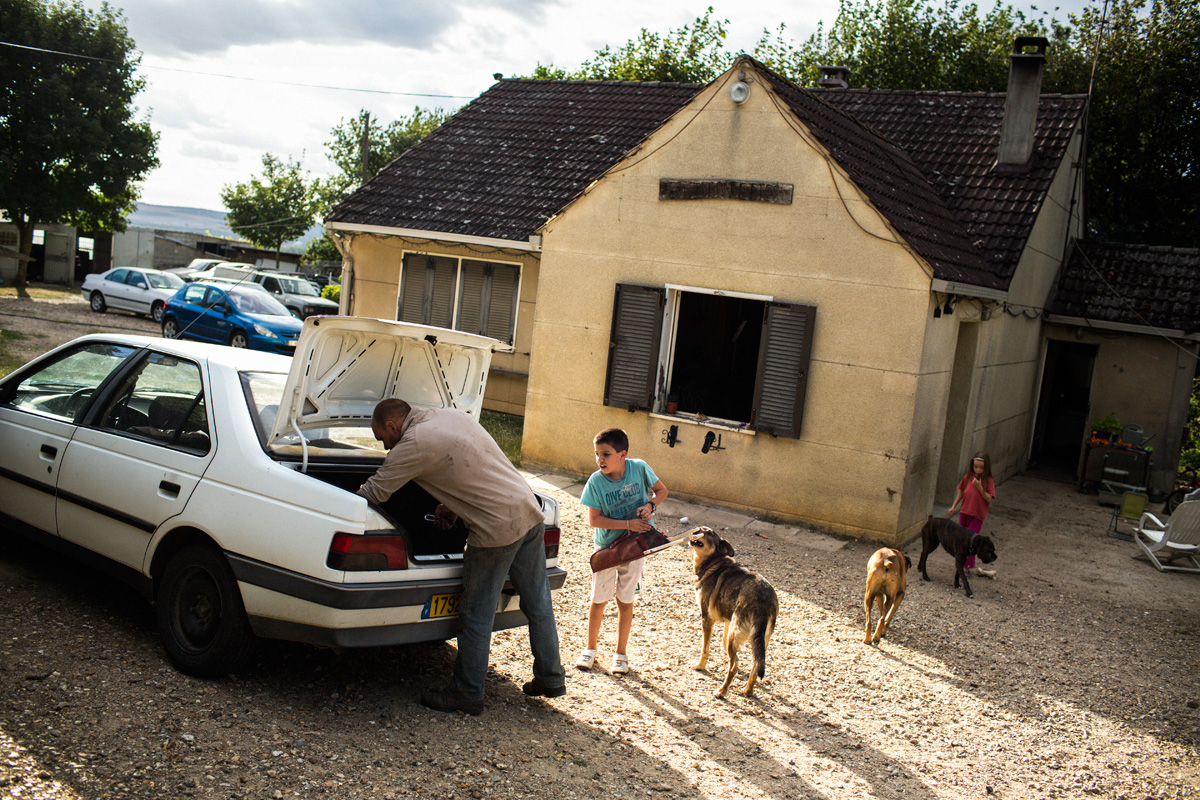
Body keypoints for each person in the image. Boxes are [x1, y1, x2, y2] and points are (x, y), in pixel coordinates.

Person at [357, 398, 565, 714]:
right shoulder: (452, 416)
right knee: (538, 603)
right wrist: (454, 506)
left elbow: (374, 493)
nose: (386, 447)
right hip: (527, 510)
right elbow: (477, 468)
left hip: (496, 531)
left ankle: (467, 692)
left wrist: (329, 510)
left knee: (476, 614)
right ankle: (551, 678)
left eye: (382, 439)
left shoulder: (413, 441)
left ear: (392, 426)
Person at [577, 428, 668, 674]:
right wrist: (628, 524)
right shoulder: (596, 481)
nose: (600, 460)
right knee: (598, 599)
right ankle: (590, 650)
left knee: (625, 600)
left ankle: (621, 654)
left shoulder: (639, 468)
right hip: (607, 548)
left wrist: (650, 506)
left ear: (622, 454)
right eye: (597, 454)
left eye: (606, 454)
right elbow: (594, 520)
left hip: (636, 547)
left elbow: (662, 491)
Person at [946, 451, 996, 578]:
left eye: (981, 467)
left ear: (986, 468)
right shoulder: (968, 477)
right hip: (964, 511)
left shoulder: (988, 481)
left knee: (972, 540)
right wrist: (953, 506)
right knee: (962, 539)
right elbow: (961, 492)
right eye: (976, 467)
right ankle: (960, 563)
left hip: (977, 515)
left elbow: (989, 498)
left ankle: (967, 566)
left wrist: (979, 487)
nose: (978, 470)